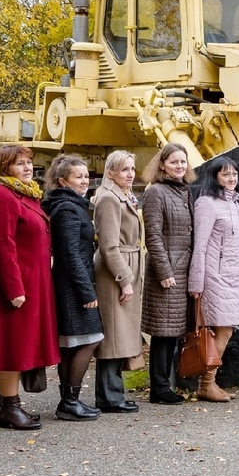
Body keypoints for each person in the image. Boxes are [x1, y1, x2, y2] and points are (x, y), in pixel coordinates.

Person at [0, 146, 59, 431]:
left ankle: (10, 405)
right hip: (13, 286)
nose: (27, 167)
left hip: (33, 282)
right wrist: (14, 288)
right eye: (19, 163)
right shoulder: (1, 197)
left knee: (22, 344)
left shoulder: (25, 194)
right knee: (10, 345)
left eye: (28, 163)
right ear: (4, 167)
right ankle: (9, 406)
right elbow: (2, 246)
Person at [41, 155, 103, 420]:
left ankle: (69, 400)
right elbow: (69, 254)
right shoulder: (67, 209)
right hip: (72, 285)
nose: (85, 180)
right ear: (62, 180)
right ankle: (69, 400)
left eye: (86, 176)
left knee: (72, 343)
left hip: (71, 283)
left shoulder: (71, 204)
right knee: (90, 339)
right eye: (79, 177)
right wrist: (86, 291)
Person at [188, 157, 239, 403]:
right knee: (221, 330)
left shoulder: (236, 203)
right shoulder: (206, 203)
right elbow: (200, 245)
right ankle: (206, 384)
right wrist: (196, 282)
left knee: (226, 330)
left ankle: (209, 383)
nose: (232, 178)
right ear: (214, 177)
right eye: (226, 175)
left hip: (234, 278)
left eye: (234, 174)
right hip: (215, 277)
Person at [141, 143, 196, 405]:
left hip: (183, 270)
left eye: (183, 162)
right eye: (174, 162)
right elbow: (153, 235)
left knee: (173, 332)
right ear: (162, 164)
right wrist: (164, 270)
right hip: (167, 272)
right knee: (162, 333)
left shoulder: (184, 191)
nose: (179, 166)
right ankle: (159, 388)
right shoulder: (157, 192)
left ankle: (164, 386)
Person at [92, 150, 144, 414]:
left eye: (132, 169)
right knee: (113, 334)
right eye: (124, 169)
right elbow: (109, 246)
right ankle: (109, 396)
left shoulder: (122, 195)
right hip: (116, 270)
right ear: (110, 171)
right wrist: (125, 279)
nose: (130, 174)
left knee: (121, 333)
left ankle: (114, 392)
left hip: (127, 263)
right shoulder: (109, 199)